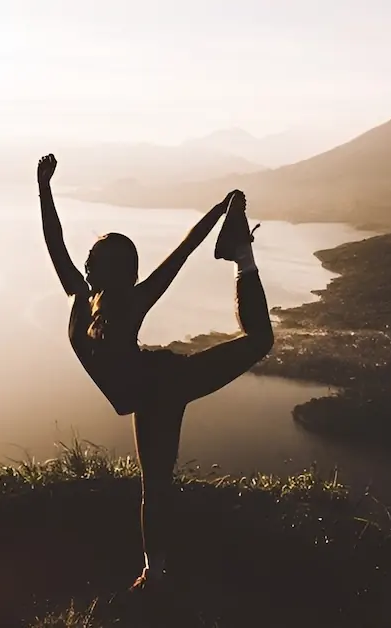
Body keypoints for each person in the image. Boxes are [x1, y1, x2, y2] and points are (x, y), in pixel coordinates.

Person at [36, 153, 273, 591]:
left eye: (94, 255)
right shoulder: (85, 296)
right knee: (155, 486)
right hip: (150, 392)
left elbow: (182, 251)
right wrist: (44, 188)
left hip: (163, 387)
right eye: (90, 254)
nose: (86, 259)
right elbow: (56, 241)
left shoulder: (110, 300)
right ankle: (153, 573)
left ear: (108, 268)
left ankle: (241, 253)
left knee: (260, 341)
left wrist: (220, 212)